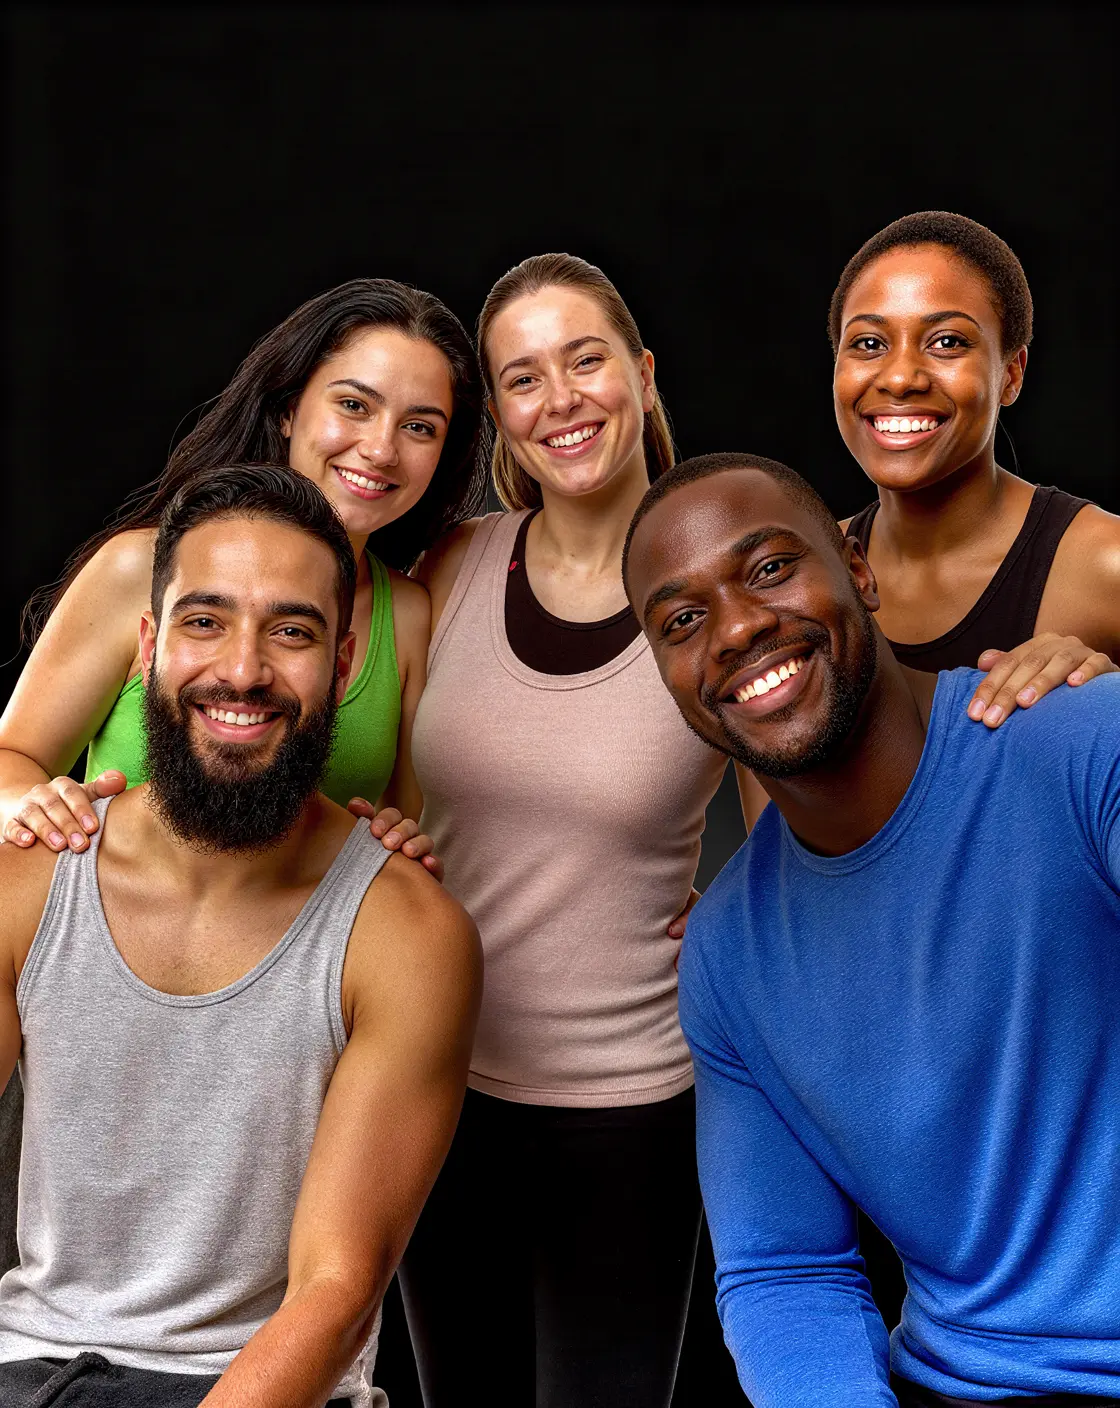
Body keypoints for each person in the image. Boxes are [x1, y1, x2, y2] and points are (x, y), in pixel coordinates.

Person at [0, 277, 482, 1275]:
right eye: (353, 404)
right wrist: (26, 803)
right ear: (288, 407)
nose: (380, 448)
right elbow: (10, 755)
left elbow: (378, 824)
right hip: (89, 1043)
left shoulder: (411, 612)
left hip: (262, 1069)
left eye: (421, 425)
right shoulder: (149, 569)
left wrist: (396, 843)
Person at [623, 451, 1120, 1408]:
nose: (737, 628)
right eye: (683, 621)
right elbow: (785, 1274)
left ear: (859, 569)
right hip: (954, 1384)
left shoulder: (1081, 745)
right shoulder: (728, 956)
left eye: (770, 568)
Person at [826, 209, 1120, 1328]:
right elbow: (794, 864)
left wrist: (1103, 698)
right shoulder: (813, 589)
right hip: (885, 1117)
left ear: (1012, 370)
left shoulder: (1092, 562)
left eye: (946, 341)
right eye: (867, 341)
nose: (899, 375)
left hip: (1067, 1135)